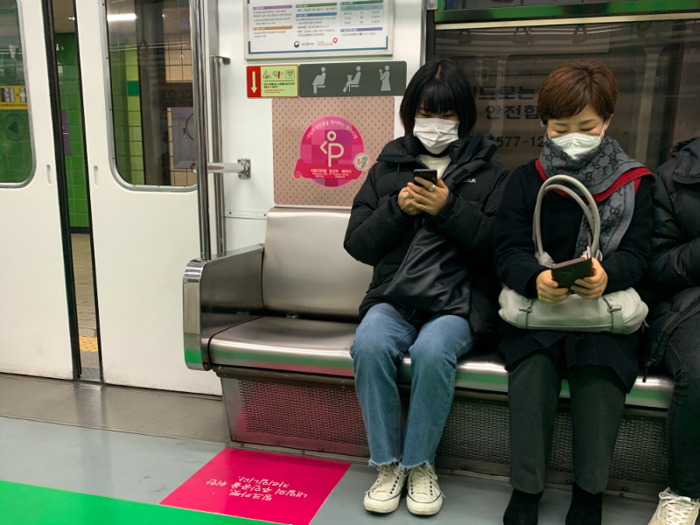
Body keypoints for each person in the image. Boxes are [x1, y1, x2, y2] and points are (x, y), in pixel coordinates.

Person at [344, 59, 509, 516]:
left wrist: (449, 208)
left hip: (458, 302)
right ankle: (387, 463)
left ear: (464, 116)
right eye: (425, 112)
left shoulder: (492, 175)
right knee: (370, 343)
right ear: (410, 114)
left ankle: (420, 464)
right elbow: (357, 244)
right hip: (395, 296)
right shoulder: (387, 167)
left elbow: (500, 251)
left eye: (447, 114)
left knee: (436, 352)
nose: (435, 124)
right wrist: (397, 208)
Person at [492, 60, 654, 525]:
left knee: (599, 375)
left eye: (586, 126)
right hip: (540, 312)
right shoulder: (526, 180)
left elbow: (641, 254)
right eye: (561, 127)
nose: (573, 136)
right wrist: (534, 279)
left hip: (602, 315)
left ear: (607, 121)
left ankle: (589, 493)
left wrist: (608, 274)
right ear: (544, 124)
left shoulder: (635, 182)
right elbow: (507, 249)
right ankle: (526, 490)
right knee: (533, 373)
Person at [644, 136, 700, 525]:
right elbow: (657, 266)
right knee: (698, 373)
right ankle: (684, 491)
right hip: (689, 303)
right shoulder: (673, 178)